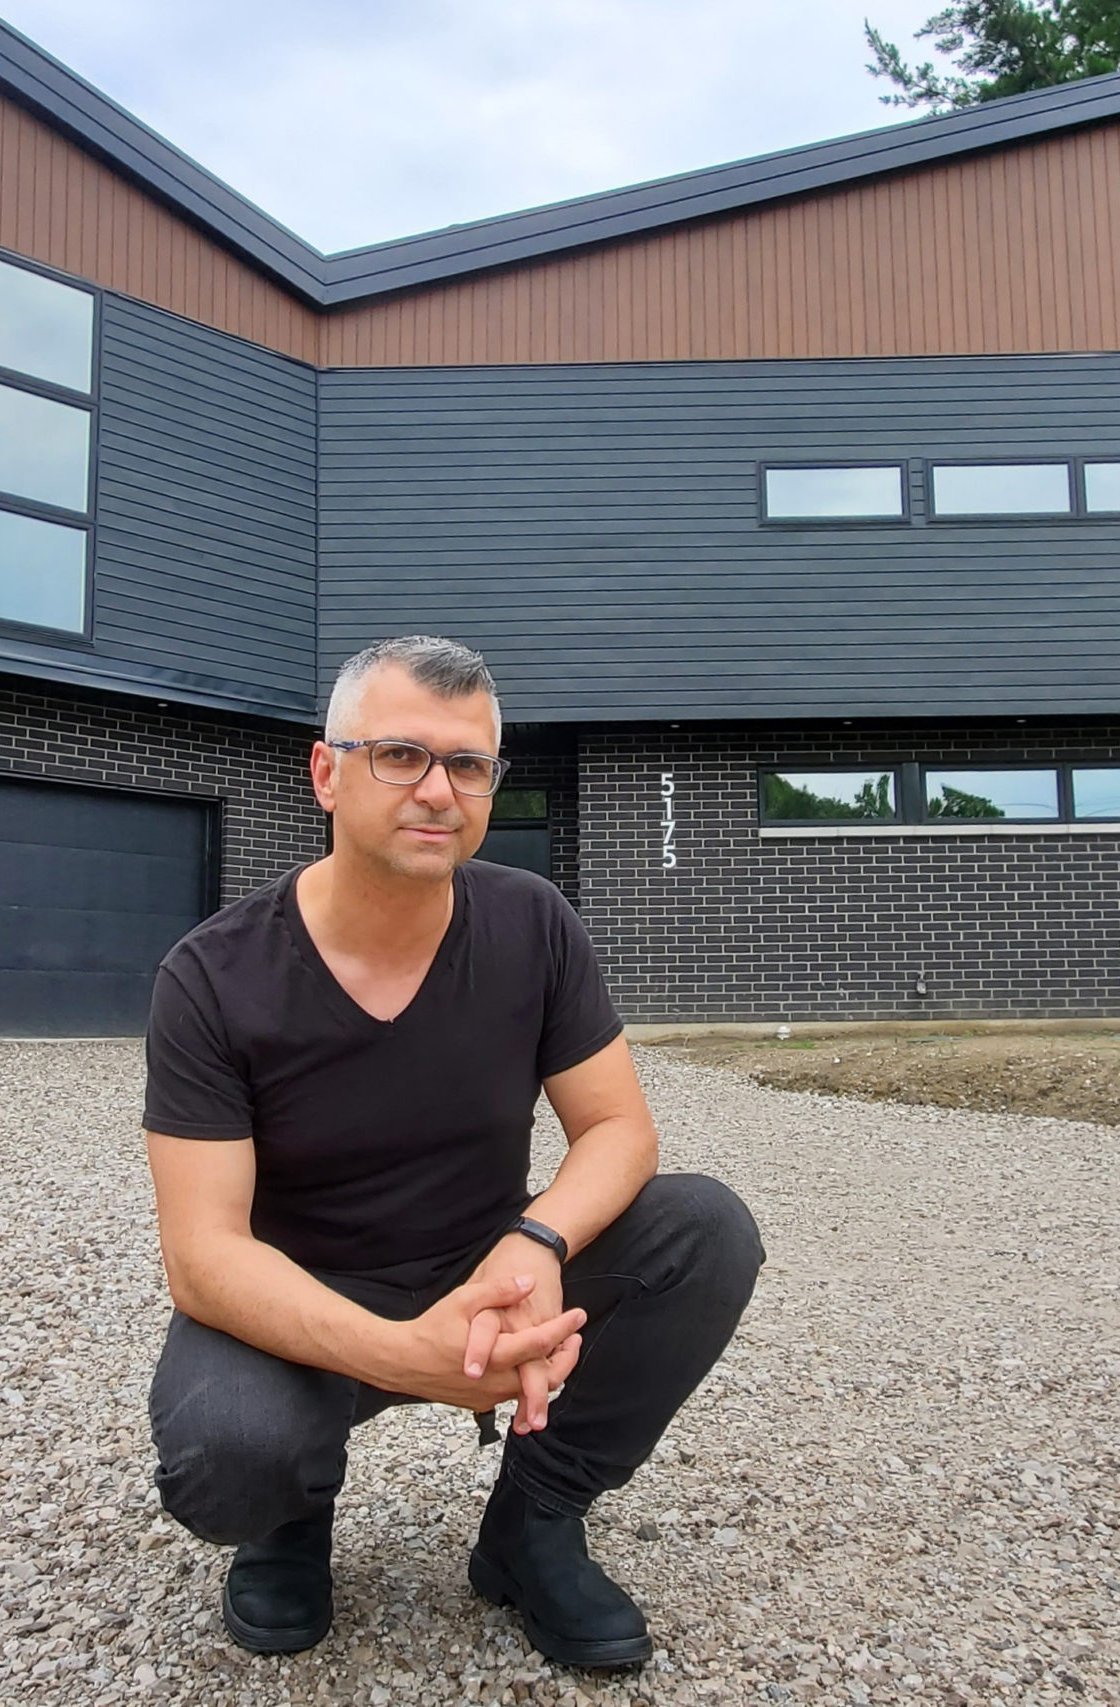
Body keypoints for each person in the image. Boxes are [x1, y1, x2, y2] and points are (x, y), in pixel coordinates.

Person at [141, 634, 763, 1669]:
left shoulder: (531, 922)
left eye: (467, 765)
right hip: (305, 1293)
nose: (438, 791)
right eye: (400, 755)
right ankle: (289, 1518)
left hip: (483, 1263)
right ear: (325, 773)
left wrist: (536, 1240)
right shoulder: (212, 977)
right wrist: (401, 1358)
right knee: (227, 1458)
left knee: (703, 1230)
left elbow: (618, 1129)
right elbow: (202, 1255)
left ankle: (533, 1524)